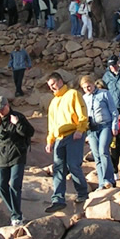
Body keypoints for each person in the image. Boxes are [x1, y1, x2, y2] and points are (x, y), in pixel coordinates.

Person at [44, 73, 89, 213]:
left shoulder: (73, 94)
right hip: (59, 138)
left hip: (74, 134)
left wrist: (80, 130)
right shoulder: (53, 102)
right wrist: (49, 140)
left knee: (73, 164)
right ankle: (58, 200)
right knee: (58, 168)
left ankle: (82, 192)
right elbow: (52, 124)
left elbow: (82, 113)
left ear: (60, 81)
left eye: (53, 84)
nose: (52, 88)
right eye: (50, 87)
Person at [0, 96, 34, 226]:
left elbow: (29, 132)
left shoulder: (17, 117)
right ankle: (15, 212)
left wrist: (18, 124)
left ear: (7, 105)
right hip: (2, 157)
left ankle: (16, 216)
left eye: (1, 109)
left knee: (15, 184)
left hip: (17, 155)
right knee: (2, 186)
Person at [80, 75, 118, 189]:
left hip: (105, 125)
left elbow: (113, 110)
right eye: (85, 88)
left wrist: (114, 126)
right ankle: (101, 183)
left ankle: (109, 179)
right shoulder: (84, 98)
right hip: (91, 129)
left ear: (93, 84)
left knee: (103, 151)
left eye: (89, 86)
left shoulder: (104, 93)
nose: (87, 89)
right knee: (96, 155)